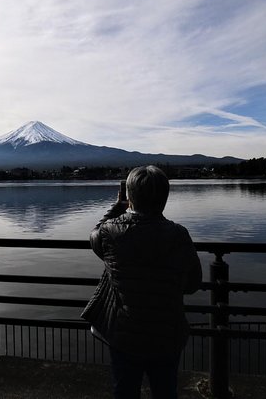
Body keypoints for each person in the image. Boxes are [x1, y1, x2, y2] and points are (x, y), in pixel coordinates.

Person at [81, 165, 202, 399]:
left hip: (125, 334)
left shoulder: (109, 232)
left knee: (124, 391)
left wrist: (118, 207)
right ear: (165, 198)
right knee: (165, 391)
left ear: (129, 196)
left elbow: (94, 235)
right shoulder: (179, 234)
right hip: (168, 332)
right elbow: (193, 284)